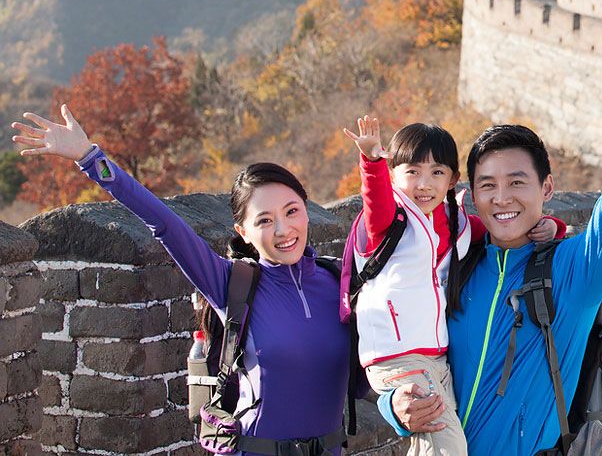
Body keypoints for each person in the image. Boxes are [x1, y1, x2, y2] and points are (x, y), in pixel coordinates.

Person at [377, 25, 602, 456]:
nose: (502, 198)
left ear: (547, 188)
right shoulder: (449, 266)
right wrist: (393, 406)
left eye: (517, 182)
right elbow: (397, 345)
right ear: (469, 196)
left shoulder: (574, 271)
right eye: (488, 186)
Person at [11, 106, 353, 455]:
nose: (283, 230)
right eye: (264, 220)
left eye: (292, 211)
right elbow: (164, 223)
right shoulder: (229, 283)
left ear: (307, 209)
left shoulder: (338, 280)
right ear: (243, 232)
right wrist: (90, 158)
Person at [341, 117, 565, 456]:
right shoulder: (390, 223)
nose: (424, 184)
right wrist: (372, 163)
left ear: (453, 181)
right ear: (393, 176)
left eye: (436, 173)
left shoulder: (456, 225)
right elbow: (376, 204)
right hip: (397, 355)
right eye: (412, 172)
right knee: (448, 446)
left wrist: (553, 226)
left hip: (434, 357)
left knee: (431, 441)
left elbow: (503, 227)